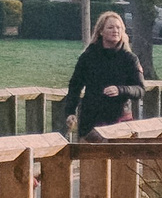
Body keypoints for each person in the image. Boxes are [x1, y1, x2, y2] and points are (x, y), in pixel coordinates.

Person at [60, 10, 145, 138]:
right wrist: (70, 112)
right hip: (91, 120)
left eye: (118, 28)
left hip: (120, 120)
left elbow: (140, 90)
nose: (115, 30)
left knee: (118, 157)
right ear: (101, 31)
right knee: (91, 157)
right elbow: (75, 86)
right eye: (110, 27)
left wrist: (120, 90)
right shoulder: (88, 57)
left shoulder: (130, 59)